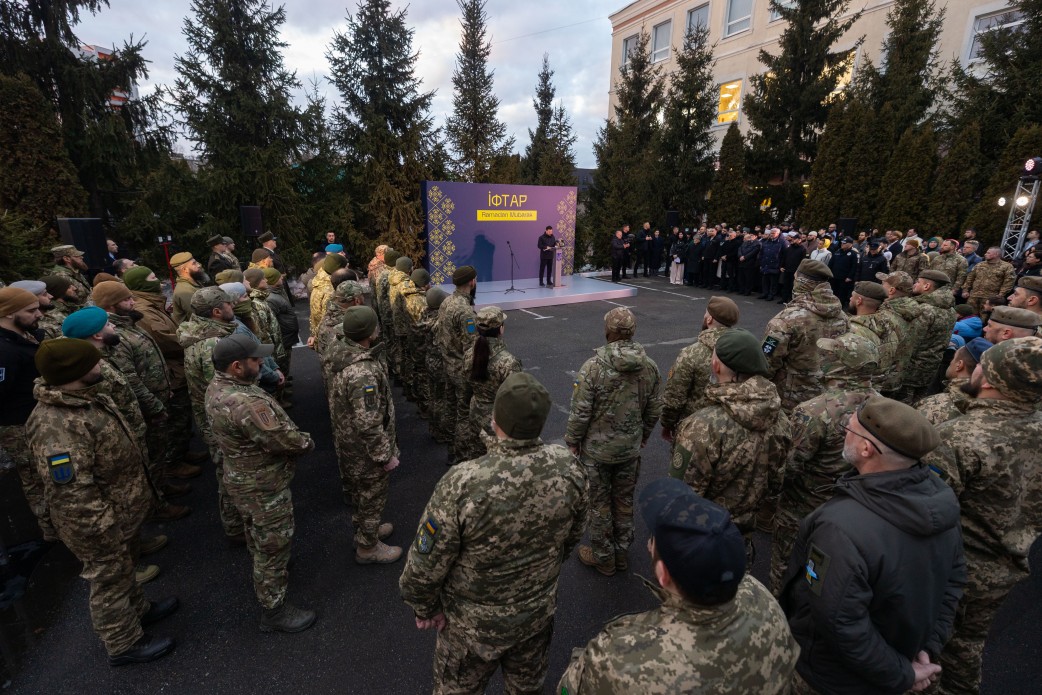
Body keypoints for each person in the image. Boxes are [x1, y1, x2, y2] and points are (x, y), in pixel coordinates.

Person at [400, 372, 588, 695]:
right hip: (535, 617)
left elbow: (423, 565)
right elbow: (572, 538)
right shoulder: (569, 469)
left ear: (494, 418)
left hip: (472, 630)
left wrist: (425, 607)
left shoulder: (463, 482)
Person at [781, 396, 966, 694]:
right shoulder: (940, 501)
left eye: (849, 428)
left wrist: (902, 673)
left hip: (829, 677)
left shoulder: (840, 528)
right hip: (898, 657)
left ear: (866, 448)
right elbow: (953, 584)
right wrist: (924, 651)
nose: (843, 432)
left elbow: (839, 623)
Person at [558, 478, 799, 694]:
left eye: (653, 542)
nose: (649, 545)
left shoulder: (621, 658)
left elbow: (568, 688)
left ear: (663, 575)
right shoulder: (764, 601)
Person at [26, 339, 179, 665]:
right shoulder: (57, 425)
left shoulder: (85, 399)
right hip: (97, 523)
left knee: (126, 567)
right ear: (77, 371)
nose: (102, 366)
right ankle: (124, 643)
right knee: (109, 579)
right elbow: (70, 491)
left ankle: (138, 611)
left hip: (120, 512)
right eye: (95, 362)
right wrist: (101, 529)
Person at [922, 337, 1042, 694]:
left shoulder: (958, 437)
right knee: (967, 648)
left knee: (926, 653)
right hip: (1009, 564)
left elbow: (926, 512)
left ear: (989, 380)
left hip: (952, 570)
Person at [206, 334, 315, 632]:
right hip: (261, 485)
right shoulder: (243, 401)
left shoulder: (219, 386)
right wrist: (306, 443)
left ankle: (267, 571)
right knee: (273, 544)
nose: (262, 362)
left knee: (258, 535)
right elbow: (280, 439)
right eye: (256, 360)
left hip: (243, 478)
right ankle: (274, 610)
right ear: (237, 366)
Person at [771, 333, 879, 594]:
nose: (824, 357)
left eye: (831, 354)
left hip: (804, 507)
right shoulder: (883, 405)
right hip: (855, 508)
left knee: (786, 569)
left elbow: (789, 464)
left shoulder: (815, 410)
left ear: (841, 365)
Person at [670, 328, 790, 559]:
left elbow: (682, 498)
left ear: (716, 365)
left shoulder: (702, 426)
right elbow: (776, 482)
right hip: (741, 540)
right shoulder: (780, 418)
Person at [566, 308, 661, 576]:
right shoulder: (649, 366)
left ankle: (603, 556)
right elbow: (654, 408)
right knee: (623, 500)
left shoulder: (593, 367)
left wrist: (573, 441)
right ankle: (621, 553)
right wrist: (643, 436)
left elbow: (581, 411)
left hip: (596, 452)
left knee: (599, 503)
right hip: (629, 449)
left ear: (608, 331)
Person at [328, 306, 402, 564]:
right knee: (372, 494)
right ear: (369, 332)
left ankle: (365, 529)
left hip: (350, 445)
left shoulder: (344, 353)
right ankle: (368, 548)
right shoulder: (363, 373)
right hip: (365, 451)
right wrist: (385, 456)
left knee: (362, 493)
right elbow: (369, 422)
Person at [177, 287, 244, 542]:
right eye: (229, 304)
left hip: (210, 416)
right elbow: (223, 390)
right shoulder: (212, 345)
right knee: (229, 473)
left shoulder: (201, 333)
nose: (234, 306)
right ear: (217, 312)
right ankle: (236, 526)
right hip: (222, 422)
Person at [0, 287, 56, 541]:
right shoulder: (4, 351)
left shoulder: (23, 336)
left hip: (39, 419)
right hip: (20, 426)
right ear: (9, 314)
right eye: (31, 311)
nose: (39, 315)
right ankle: (53, 530)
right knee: (37, 478)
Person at [762, 259, 850, 411]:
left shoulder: (786, 320)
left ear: (801, 282)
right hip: (827, 397)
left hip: (791, 399)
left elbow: (766, 362)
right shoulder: (842, 316)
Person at [660, 297, 739, 444]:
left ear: (709, 319)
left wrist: (667, 423)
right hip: (734, 430)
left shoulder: (691, 353)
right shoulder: (742, 349)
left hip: (695, 430)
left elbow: (674, 398)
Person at [464, 306, 522, 456]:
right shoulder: (509, 362)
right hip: (498, 422)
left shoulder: (470, 353)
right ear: (500, 329)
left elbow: (466, 385)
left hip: (475, 412)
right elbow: (515, 400)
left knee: (476, 461)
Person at [436, 265, 478, 464]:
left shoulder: (446, 302)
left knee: (451, 408)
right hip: (461, 369)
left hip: (447, 364)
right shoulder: (465, 311)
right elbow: (471, 346)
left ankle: (451, 450)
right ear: (471, 282)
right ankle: (462, 458)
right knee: (464, 415)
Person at [905, 269, 958, 403]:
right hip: (932, 365)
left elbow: (911, 341)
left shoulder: (924, 309)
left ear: (927, 286)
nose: (915, 285)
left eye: (918, 282)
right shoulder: (950, 309)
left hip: (911, 368)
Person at [915, 337, 991, 426]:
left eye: (953, 358)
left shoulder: (932, 406)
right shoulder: (992, 405)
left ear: (959, 365)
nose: (950, 362)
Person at [961, 246, 1016, 313]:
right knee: (969, 316)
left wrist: (1000, 295)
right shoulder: (980, 265)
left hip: (990, 298)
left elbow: (1008, 282)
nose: (985, 254)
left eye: (988, 253)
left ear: (996, 254)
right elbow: (970, 278)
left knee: (985, 318)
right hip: (974, 296)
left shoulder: (1006, 267)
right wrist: (965, 290)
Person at [170, 252, 207, 325]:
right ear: (185, 269)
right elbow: (200, 318)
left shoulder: (194, 282)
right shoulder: (186, 291)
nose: (199, 265)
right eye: (194, 263)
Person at [759, 227, 784, 300]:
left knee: (773, 282)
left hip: (775, 265)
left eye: (773, 233)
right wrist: (761, 262)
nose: (771, 235)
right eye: (771, 233)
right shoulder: (767, 241)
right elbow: (761, 253)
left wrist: (780, 265)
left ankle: (771, 294)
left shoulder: (782, 242)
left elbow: (783, 255)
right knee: (765, 281)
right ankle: (765, 293)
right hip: (765, 264)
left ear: (778, 234)